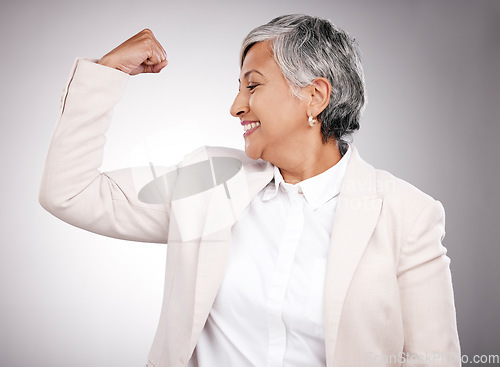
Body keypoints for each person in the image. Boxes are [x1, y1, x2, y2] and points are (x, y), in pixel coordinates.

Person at [40, 14, 461, 367]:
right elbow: (70, 191)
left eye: (252, 85)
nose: (236, 105)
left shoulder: (408, 215)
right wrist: (108, 72)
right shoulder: (208, 179)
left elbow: (431, 358)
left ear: (315, 97)